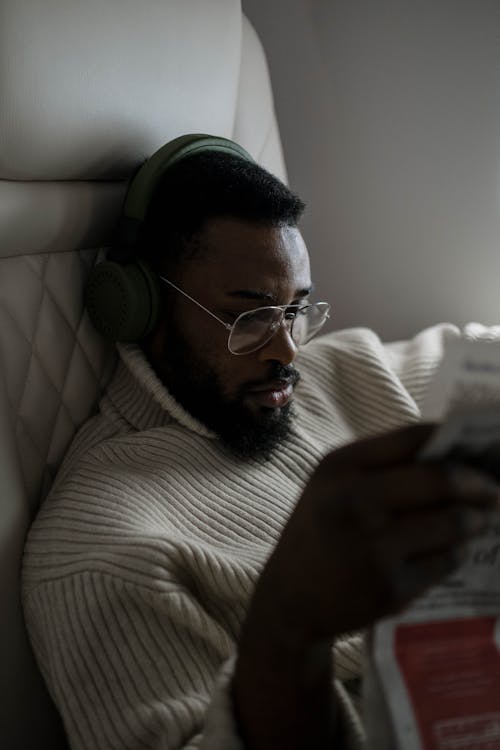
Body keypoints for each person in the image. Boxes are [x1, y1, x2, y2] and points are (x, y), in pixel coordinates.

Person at [22, 135, 499, 750]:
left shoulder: (346, 369)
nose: (287, 351)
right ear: (139, 307)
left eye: (295, 310)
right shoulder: (102, 546)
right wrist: (288, 627)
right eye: (249, 317)